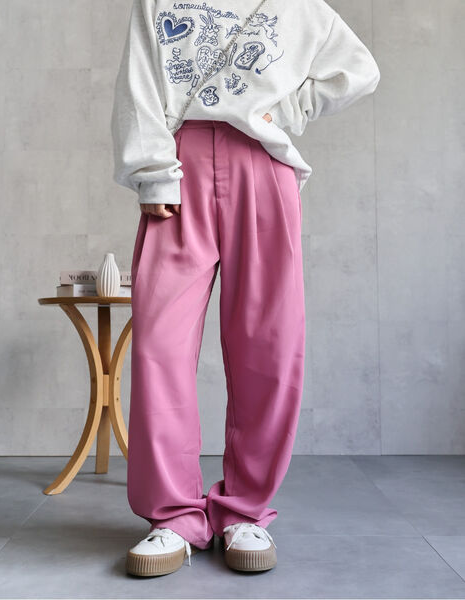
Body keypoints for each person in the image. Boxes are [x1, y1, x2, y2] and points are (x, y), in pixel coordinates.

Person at [111, 0, 380, 577]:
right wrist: (151, 171)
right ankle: (174, 516)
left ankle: (244, 510)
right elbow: (140, 82)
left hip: (263, 162)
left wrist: (289, 108)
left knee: (269, 345)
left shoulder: (294, 4)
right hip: (178, 165)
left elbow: (358, 69)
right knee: (160, 346)